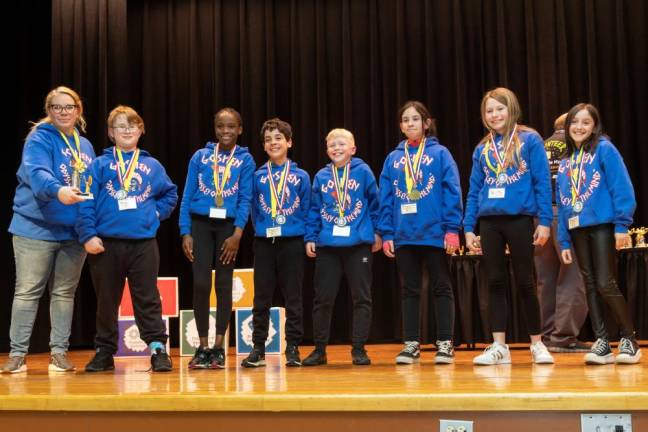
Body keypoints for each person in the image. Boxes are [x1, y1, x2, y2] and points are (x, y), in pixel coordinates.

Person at [77, 105, 177, 372]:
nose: (127, 130)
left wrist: (156, 213)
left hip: (143, 243)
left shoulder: (151, 165)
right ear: (111, 133)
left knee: (147, 298)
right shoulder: (99, 165)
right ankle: (104, 352)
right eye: (121, 126)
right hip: (106, 243)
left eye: (132, 125)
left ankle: (157, 349)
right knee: (107, 300)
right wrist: (88, 234)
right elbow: (85, 202)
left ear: (141, 130)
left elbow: (170, 194)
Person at [2, 86, 95, 374]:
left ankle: (59, 353)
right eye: (56, 107)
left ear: (78, 110)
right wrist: (58, 191)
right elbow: (38, 174)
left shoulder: (86, 146)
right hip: (35, 229)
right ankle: (17, 355)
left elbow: (91, 187)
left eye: (68, 107)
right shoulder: (39, 139)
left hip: (72, 233)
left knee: (65, 294)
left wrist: (90, 228)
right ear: (49, 111)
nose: (63, 112)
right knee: (28, 291)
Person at [463, 87, 554, 365]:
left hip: (519, 219)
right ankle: (499, 346)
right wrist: (468, 227)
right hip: (489, 222)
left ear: (511, 108)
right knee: (495, 282)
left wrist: (545, 222)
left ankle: (537, 344)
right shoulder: (483, 147)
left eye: (499, 108)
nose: (494, 114)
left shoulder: (529, 139)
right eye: (489, 110)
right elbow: (474, 189)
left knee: (526, 281)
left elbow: (541, 181)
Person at [378, 101, 462, 364]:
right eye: (405, 120)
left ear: (426, 123)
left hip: (435, 233)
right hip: (404, 235)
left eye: (415, 119)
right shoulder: (393, 159)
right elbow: (386, 198)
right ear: (401, 126)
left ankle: (445, 343)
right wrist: (387, 233)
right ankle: (412, 343)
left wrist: (451, 229)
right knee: (409, 290)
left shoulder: (440, 154)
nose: (410, 124)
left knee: (441, 287)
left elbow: (452, 191)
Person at [557, 103, 641, 365]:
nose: (579, 127)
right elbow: (563, 203)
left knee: (605, 282)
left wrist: (621, 225)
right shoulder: (566, 162)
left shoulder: (604, 149)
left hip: (603, 225)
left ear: (594, 126)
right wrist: (563, 238)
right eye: (574, 122)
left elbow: (621, 186)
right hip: (577, 229)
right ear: (567, 126)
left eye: (585, 122)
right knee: (590, 283)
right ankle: (602, 341)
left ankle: (629, 339)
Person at [179, 108, 255, 369]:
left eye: (231, 126)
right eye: (221, 126)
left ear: (240, 129)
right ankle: (202, 346)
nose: (226, 131)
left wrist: (237, 234)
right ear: (215, 128)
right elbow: (187, 195)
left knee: (224, 285)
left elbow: (246, 199)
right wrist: (185, 231)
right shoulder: (200, 157)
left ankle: (220, 347)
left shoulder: (245, 160)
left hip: (227, 229)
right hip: (200, 225)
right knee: (200, 284)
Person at [303, 128, 381, 366]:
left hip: (358, 245)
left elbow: (376, 203)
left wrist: (378, 232)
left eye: (341, 144)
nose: (336, 148)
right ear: (327, 150)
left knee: (361, 298)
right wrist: (310, 236)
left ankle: (358, 349)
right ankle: (319, 350)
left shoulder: (363, 171)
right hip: (328, 246)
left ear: (352, 149)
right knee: (323, 299)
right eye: (332, 145)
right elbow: (314, 210)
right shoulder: (321, 176)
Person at [241, 118, 311, 368]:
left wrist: (301, 233)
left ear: (289, 142)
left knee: (293, 296)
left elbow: (307, 208)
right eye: (268, 139)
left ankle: (292, 346)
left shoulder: (301, 176)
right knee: (261, 297)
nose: (273, 143)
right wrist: (261, 229)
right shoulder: (258, 176)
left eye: (278, 138)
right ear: (263, 145)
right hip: (264, 242)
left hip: (292, 241)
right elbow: (253, 211)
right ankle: (258, 347)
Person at [534, 113, 589, 353]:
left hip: (540, 217)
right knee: (573, 276)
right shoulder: (577, 144)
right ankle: (563, 337)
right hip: (567, 214)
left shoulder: (540, 145)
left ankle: (546, 335)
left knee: (545, 278)